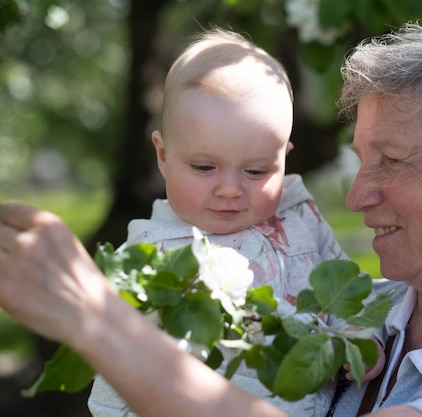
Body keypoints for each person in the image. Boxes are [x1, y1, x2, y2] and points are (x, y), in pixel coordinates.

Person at [0, 22, 422, 417]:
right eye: (361, 161)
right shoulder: (365, 312)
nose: (355, 198)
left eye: (393, 162)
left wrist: (99, 322)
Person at [85, 28, 385, 417]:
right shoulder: (148, 260)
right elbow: (115, 378)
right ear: (163, 155)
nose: (230, 189)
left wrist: (361, 339)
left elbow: (347, 289)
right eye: (205, 167)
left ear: (284, 159)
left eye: (257, 171)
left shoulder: (298, 216)